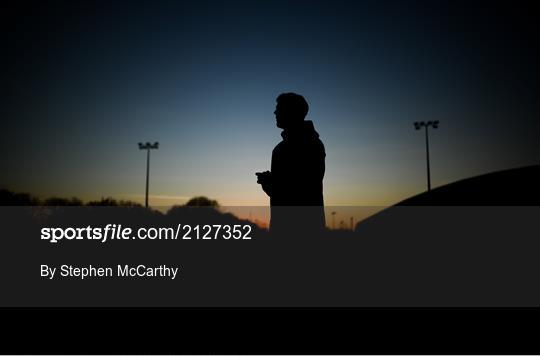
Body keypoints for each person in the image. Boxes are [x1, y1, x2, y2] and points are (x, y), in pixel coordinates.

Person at [256, 92, 326, 234]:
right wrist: (270, 183)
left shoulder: (311, 143)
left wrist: (271, 184)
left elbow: (304, 189)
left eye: (279, 108)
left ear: (292, 111)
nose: (275, 112)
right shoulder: (281, 147)